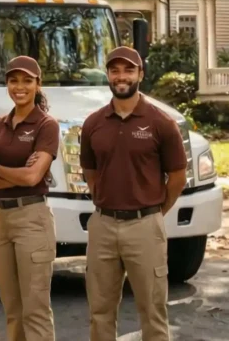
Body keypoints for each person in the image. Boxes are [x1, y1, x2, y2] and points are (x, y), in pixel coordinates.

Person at [79, 46, 187, 341]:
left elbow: (177, 177)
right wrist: (105, 200)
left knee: (152, 312)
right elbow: (90, 171)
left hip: (145, 226)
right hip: (103, 226)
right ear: (108, 75)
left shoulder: (161, 123)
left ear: (141, 74)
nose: (121, 76)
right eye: (115, 70)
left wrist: (154, 212)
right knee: (100, 312)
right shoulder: (93, 123)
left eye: (128, 70)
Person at [0, 56, 59, 341]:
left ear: (38, 84)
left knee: (35, 310)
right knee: (12, 309)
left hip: (32, 218)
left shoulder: (46, 125)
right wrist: (16, 173)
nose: (19, 87)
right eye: (13, 81)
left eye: (27, 81)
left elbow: (32, 177)